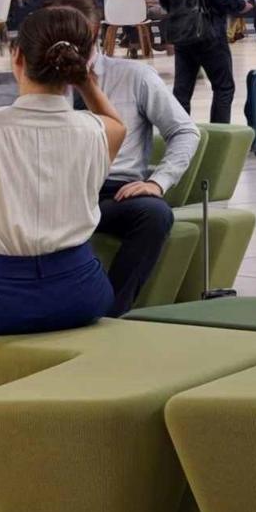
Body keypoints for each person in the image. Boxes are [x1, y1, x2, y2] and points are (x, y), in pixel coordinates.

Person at [0, 0, 124, 338]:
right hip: (80, 294)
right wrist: (85, 81)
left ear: (17, 56)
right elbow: (115, 122)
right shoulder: (100, 131)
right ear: (82, 64)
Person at [90, 39, 197, 309]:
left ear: (94, 37)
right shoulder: (41, 78)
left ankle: (111, 311)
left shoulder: (134, 75)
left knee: (153, 213)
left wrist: (157, 182)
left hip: (113, 189)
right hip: (58, 190)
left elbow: (185, 131)